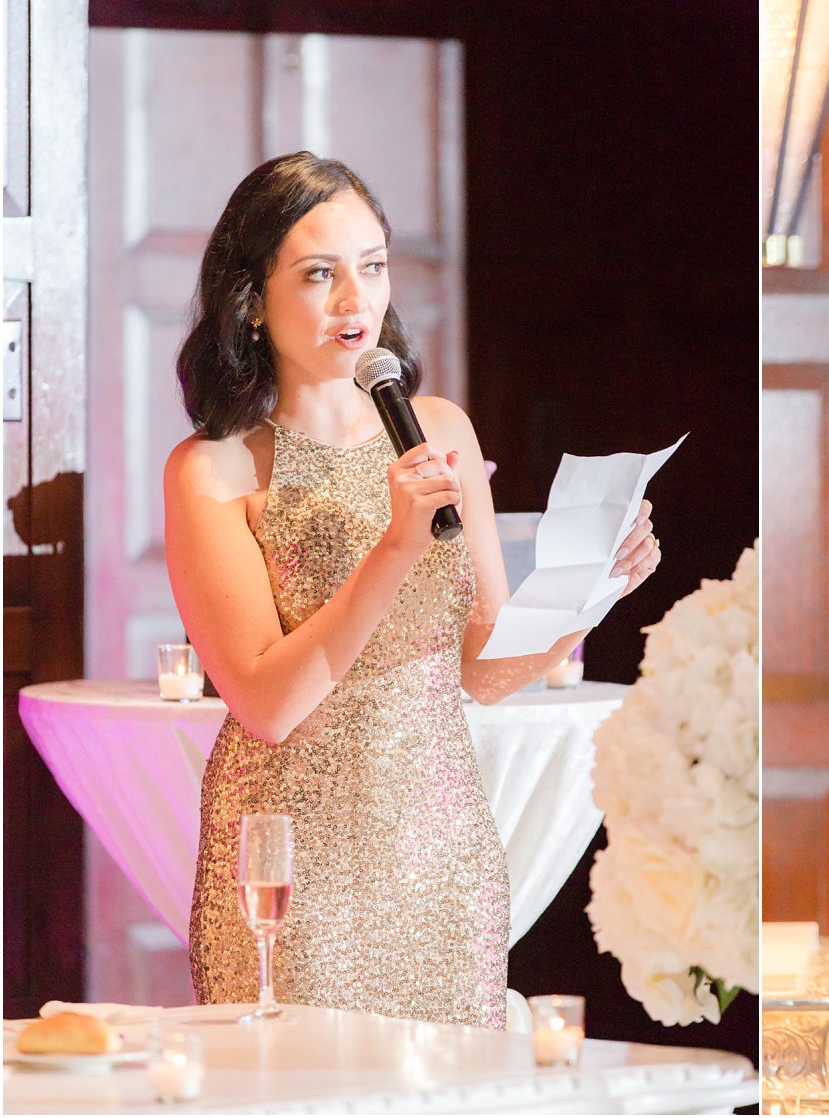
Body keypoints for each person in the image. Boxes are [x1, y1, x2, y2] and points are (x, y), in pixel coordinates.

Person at [167, 152, 660, 1030]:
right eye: (320, 274)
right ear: (251, 299)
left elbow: (482, 667)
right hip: (295, 866)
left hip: (438, 850)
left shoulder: (440, 431)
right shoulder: (214, 468)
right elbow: (268, 703)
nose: (357, 301)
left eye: (373, 266)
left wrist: (595, 592)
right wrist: (395, 545)